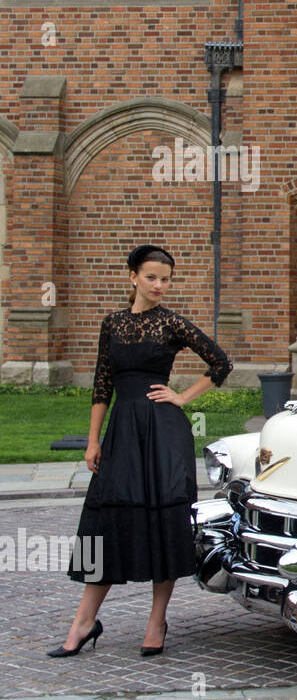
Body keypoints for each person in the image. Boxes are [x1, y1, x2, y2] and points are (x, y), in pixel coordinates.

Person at [49, 244, 233, 658]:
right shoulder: (112, 323)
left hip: (164, 433)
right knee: (103, 522)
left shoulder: (170, 323)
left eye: (166, 279)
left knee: (163, 522)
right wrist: (93, 439)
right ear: (133, 276)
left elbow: (220, 363)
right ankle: (84, 622)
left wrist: (183, 398)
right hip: (121, 433)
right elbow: (102, 385)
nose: (159, 285)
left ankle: (156, 621)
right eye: (151, 277)